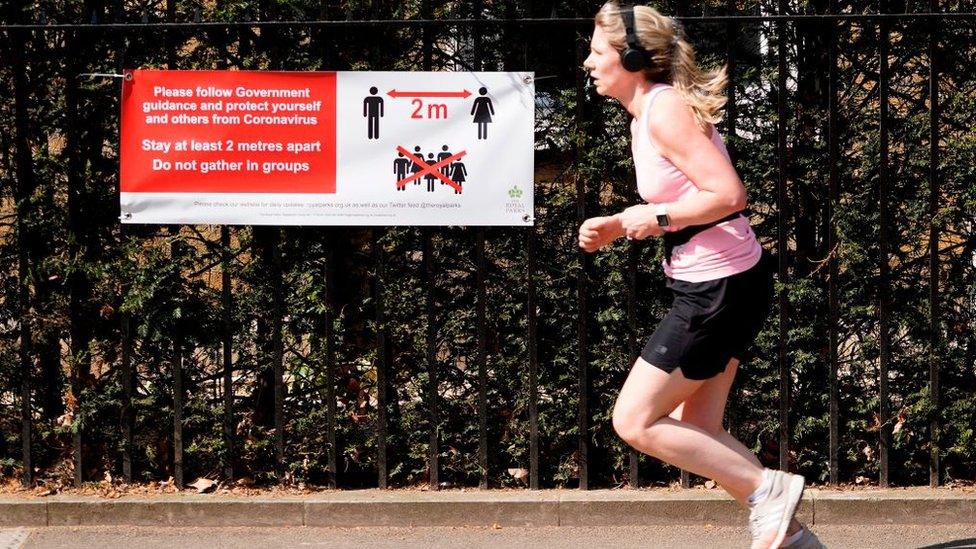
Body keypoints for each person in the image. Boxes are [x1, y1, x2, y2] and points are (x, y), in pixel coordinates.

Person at [578, 4, 824, 549]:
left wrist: (653, 218)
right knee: (701, 426)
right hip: (726, 280)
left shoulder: (663, 112)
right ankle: (793, 541)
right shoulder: (646, 113)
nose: (588, 62)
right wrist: (623, 223)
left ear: (634, 59)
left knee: (635, 420)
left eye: (598, 52)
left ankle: (768, 489)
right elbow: (687, 195)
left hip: (717, 286)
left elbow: (728, 195)